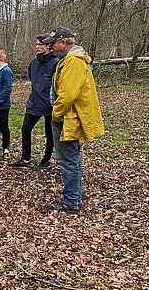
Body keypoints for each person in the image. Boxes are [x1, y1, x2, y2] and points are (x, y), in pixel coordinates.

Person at [42, 26, 104, 213]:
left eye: (52, 43)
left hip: (67, 119)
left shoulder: (73, 63)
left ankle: (71, 201)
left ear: (63, 42)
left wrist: (56, 114)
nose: (50, 47)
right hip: (67, 117)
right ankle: (71, 197)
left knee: (68, 160)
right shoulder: (69, 61)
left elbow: (68, 95)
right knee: (70, 159)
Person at [11, 35, 59, 169]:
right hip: (34, 102)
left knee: (49, 133)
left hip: (50, 104)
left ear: (48, 46)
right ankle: (25, 159)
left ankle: (46, 159)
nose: (37, 47)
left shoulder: (55, 62)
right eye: (36, 44)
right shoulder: (33, 63)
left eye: (40, 44)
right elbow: (33, 79)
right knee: (25, 129)